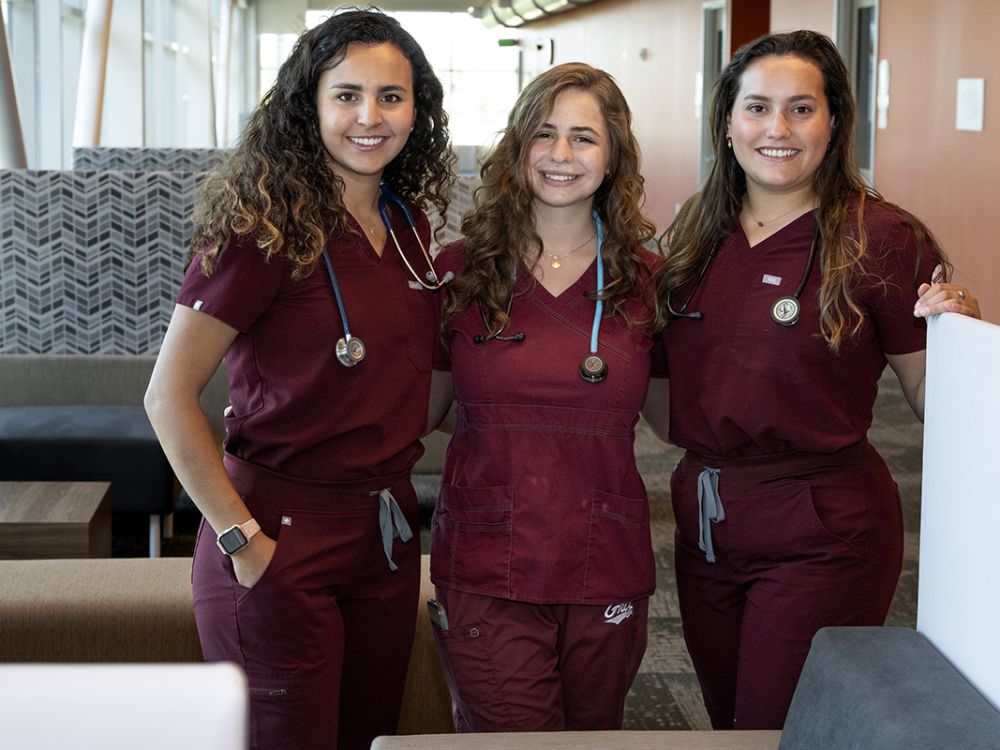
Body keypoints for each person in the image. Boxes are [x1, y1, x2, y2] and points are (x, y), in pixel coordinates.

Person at [653, 30, 981, 731]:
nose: (777, 128)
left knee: (781, 730)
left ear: (833, 124)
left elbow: (933, 399)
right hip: (706, 520)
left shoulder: (881, 236)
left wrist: (964, 343)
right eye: (757, 107)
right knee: (730, 727)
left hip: (822, 528)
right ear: (728, 122)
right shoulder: (691, 233)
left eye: (801, 108)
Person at [144, 9, 455, 750]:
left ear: (419, 110)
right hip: (278, 530)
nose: (369, 117)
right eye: (346, 94)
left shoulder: (405, 225)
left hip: (383, 536)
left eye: (391, 95)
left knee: (368, 736)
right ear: (309, 104)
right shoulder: (259, 229)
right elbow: (167, 396)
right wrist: (240, 538)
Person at [424, 62, 670, 733]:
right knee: (511, 739)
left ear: (614, 152)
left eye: (584, 138)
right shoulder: (459, 271)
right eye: (545, 134)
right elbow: (418, 413)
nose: (562, 155)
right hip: (485, 560)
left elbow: (684, 421)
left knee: (593, 739)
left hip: (605, 562)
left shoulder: (652, 282)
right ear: (517, 145)